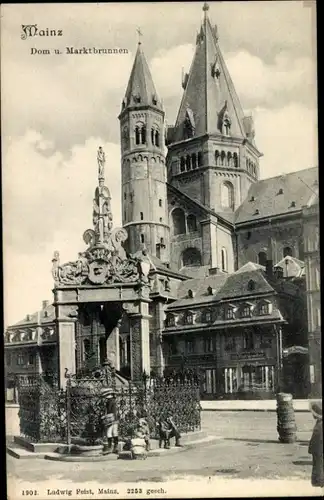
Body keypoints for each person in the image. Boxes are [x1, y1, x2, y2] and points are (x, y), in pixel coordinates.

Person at [308, 400, 324, 488]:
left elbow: (317, 439)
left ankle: (319, 482)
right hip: (317, 450)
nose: (312, 414)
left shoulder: (320, 425)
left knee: (318, 467)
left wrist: (312, 449)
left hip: (318, 451)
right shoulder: (319, 423)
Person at [101, 388, 119, 454]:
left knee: (109, 433)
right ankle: (115, 448)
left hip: (110, 419)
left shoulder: (109, 402)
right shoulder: (113, 401)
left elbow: (111, 412)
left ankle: (110, 448)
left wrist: (104, 416)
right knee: (115, 433)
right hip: (115, 419)